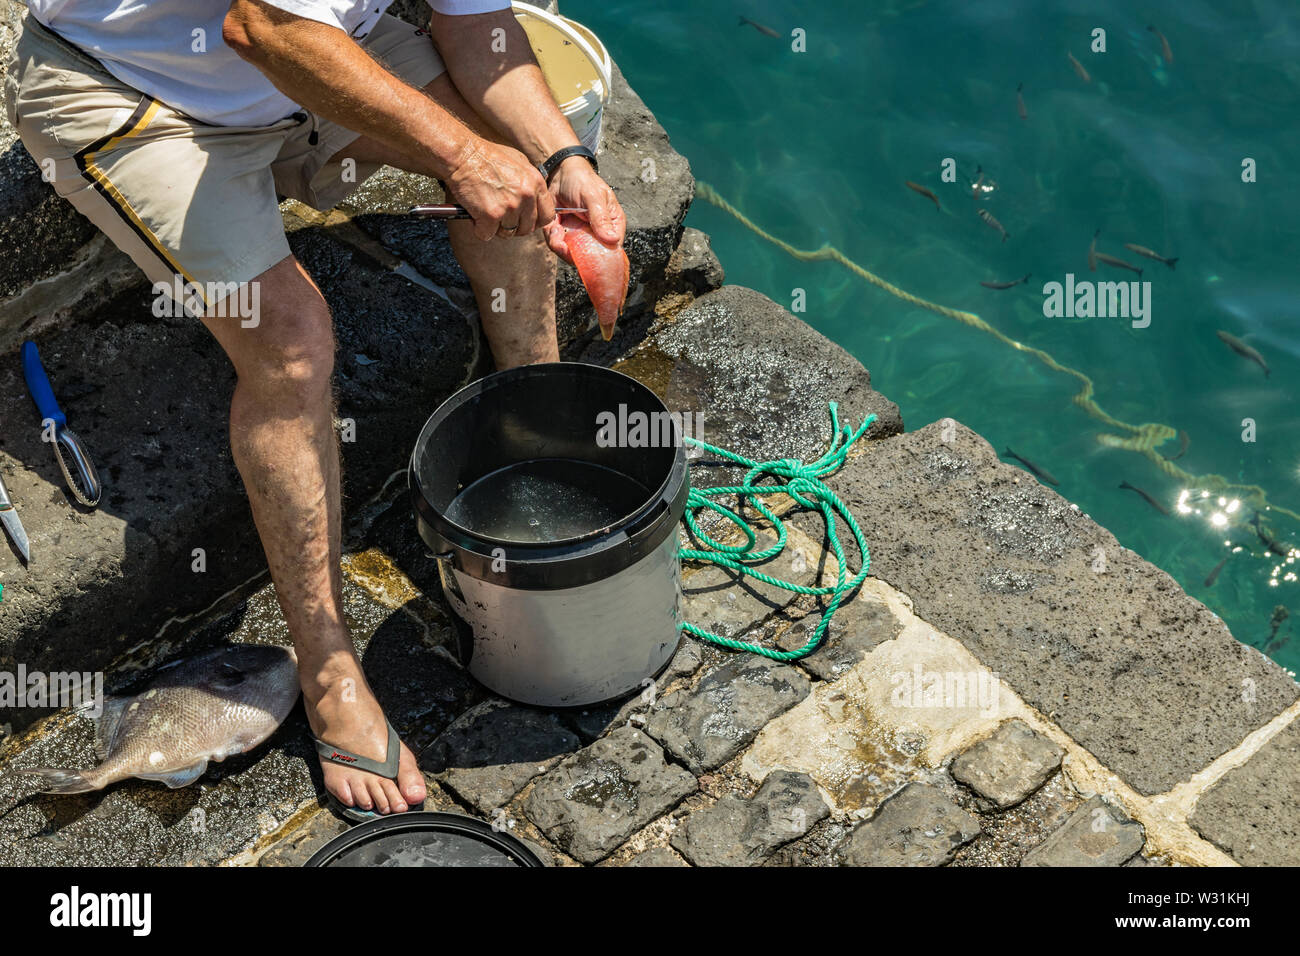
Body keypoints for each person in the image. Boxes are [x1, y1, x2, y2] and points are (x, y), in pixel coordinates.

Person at [3, 0, 627, 819]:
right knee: (291, 341)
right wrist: (466, 156)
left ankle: (538, 444)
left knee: (521, 174)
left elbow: (477, 26)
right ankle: (328, 670)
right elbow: (263, 28)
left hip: (322, 59)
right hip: (140, 93)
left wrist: (564, 155)